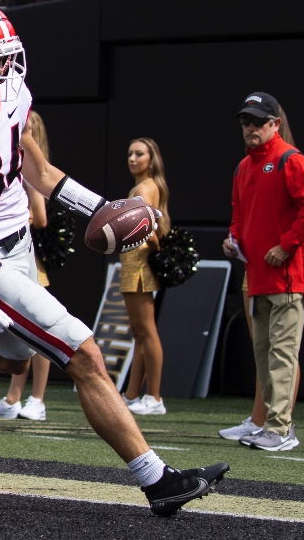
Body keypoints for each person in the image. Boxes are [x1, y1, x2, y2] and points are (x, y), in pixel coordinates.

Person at [0, 0, 228, 517]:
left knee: (12, 357)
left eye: (2, 57)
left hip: (19, 244)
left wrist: (100, 208)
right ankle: (158, 480)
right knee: (84, 354)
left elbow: (39, 171)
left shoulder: (10, 92)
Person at [221, 91, 304, 452]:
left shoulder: (290, 160)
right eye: (245, 121)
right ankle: (270, 424)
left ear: (275, 124)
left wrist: (287, 245)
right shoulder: (244, 166)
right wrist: (233, 239)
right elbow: (239, 216)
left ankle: (281, 428)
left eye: (257, 121)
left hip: (287, 276)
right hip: (259, 276)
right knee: (265, 353)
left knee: (281, 353)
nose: (250, 127)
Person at [0, 110, 52, 421]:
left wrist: (10, 220)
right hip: (17, 257)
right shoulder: (13, 164)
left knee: (39, 327)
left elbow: (41, 217)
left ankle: (38, 399)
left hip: (28, 258)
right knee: (21, 329)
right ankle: (14, 397)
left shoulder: (29, 168)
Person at [117, 137, 171, 416]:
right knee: (139, 334)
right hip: (133, 263)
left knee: (147, 332)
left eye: (139, 154)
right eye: (130, 154)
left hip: (138, 264)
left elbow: (150, 230)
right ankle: (132, 394)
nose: (133, 158)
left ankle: (155, 397)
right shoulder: (148, 186)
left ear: (152, 158)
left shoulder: (143, 188)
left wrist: (126, 234)